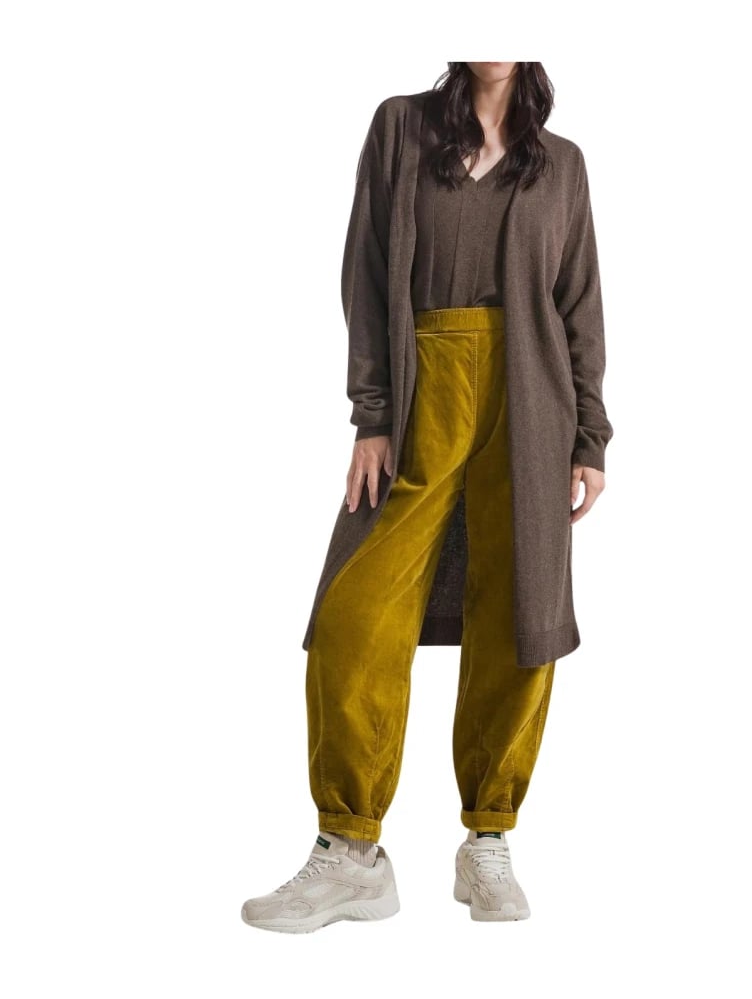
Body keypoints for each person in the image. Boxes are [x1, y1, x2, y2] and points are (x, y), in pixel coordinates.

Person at [242, 62, 613, 933]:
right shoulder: (402, 128)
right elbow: (367, 272)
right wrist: (372, 415)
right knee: (354, 616)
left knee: (518, 619)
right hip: (419, 404)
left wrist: (589, 436)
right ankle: (351, 852)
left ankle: (489, 837)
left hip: (532, 407)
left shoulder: (561, 163)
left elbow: (580, 302)